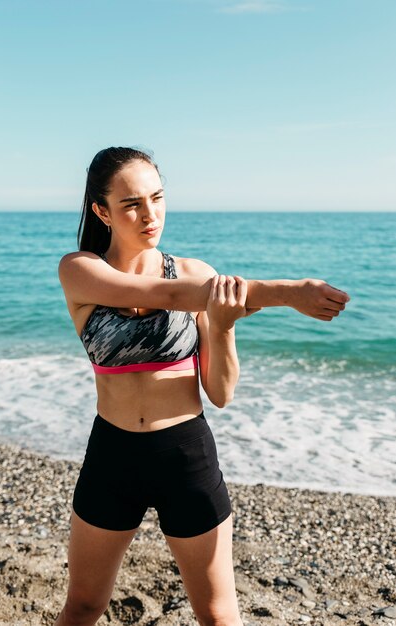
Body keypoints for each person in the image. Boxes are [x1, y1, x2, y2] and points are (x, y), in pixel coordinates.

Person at [55, 146, 350, 626]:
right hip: (112, 455)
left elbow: (220, 392)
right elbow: (167, 295)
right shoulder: (81, 270)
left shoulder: (197, 274)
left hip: (185, 455)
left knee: (217, 613)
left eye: (157, 197)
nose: (150, 215)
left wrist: (225, 325)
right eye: (132, 204)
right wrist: (291, 292)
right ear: (101, 211)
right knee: (85, 606)